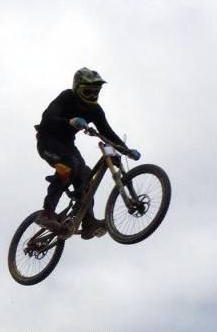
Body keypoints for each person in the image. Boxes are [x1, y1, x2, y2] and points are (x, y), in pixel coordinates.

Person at [34, 67, 140, 239]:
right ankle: (46, 213)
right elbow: (47, 119)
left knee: (85, 175)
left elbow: (107, 132)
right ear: (77, 88)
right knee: (69, 165)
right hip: (47, 141)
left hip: (67, 145)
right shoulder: (67, 97)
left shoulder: (95, 110)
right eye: (87, 92)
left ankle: (88, 221)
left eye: (95, 92)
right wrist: (70, 121)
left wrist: (126, 150)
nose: (92, 96)